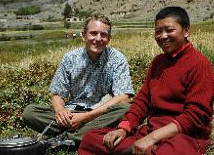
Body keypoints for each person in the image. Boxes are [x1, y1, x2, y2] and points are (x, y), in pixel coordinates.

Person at [78, 6, 214, 155]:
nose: (163, 36)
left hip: (184, 136)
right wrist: (123, 128)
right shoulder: (158, 62)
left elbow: (194, 116)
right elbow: (142, 101)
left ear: (185, 31)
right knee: (91, 138)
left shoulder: (199, 64)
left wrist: (152, 138)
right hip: (151, 132)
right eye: (158, 31)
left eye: (169, 30)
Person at [22, 14, 134, 147]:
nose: (98, 39)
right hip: (72, 114)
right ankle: (81, 135)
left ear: (109, 39)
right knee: (30, 112)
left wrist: (85, 118)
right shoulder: (70, 58)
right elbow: (58, 93)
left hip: (100, 114)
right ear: (83, 35)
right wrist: (60, 111)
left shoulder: (117, 59)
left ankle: (67, 138)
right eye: (93, 33)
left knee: (126, 108)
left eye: (103, 35)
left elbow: (123, 97)